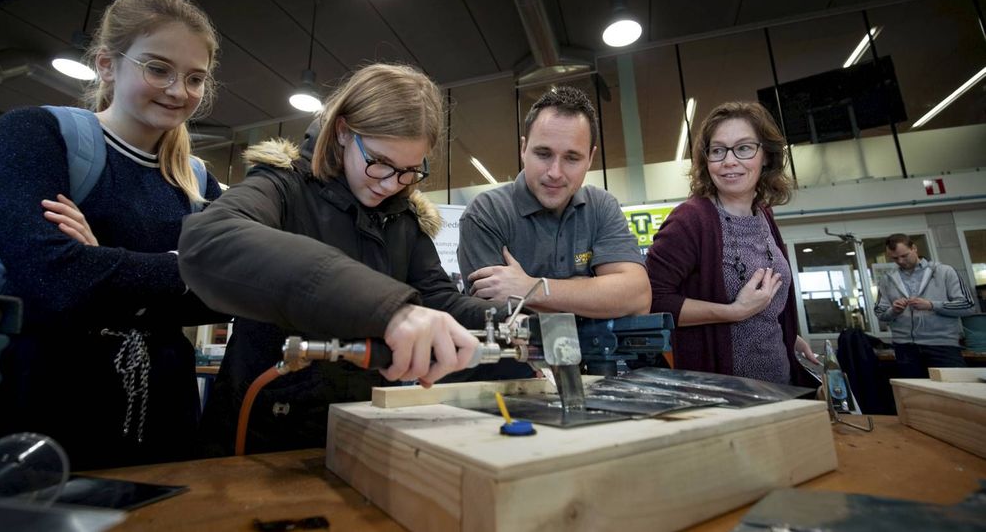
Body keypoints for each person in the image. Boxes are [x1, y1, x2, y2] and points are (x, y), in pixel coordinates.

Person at [178, 63, 499, 456]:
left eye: (409, 171)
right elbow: (208, 240)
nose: (389, 184)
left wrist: (511, 322)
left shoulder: (403, 220)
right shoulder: (282, 187)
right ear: (344, 131)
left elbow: (441, 299)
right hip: (261, 436)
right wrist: (390, 310)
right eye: (379, 161)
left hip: (359, 427)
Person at [0, 0, 226, 469]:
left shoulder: (197, 180)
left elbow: (234, 292)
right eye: (158, 69)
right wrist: (185, 269)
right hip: (42, 408)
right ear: (108, 64)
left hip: (164, 417)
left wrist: (101, 262)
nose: (178, 90)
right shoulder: (35, 134)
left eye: (195, 78)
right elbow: (53, 275)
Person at [647, 101, 815, 385]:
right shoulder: (691, 220)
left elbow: (763, 304)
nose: (729, 161)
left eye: (744, 148)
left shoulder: (764, 215)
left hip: (779, 384)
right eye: (718, 150)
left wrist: (788, 334)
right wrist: (733, 312)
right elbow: (649, 300)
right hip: (723, 393)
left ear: (766, 156)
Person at [457, 86, 651, 323]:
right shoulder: (486, 213)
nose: (555, 173)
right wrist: (594, 296)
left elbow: (637, 298)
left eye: (572, 158)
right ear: (523, 148)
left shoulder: (601, 206)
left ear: (590, 158)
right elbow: (498, 317)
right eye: (543, 154)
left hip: (602, 359)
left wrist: (532, 288)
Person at [874, 233, 975, 378]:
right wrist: (893, 310)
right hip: (905, 348)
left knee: (952, 394)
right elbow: (879, 312)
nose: (901, 261)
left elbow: (968, 305)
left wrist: (932, 305)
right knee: (914, 396)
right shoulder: (887, 279)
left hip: (943, 346)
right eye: (895, 258)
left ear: (914, 248)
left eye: (904, 255)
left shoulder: (944, 272)